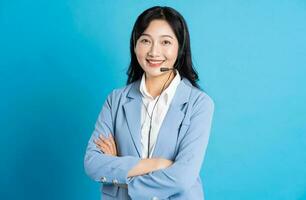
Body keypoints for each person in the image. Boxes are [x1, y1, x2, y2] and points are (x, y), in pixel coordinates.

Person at [84, 6, 215, 200]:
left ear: (180, 48)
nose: (154, 52)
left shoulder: (199, 103)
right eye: (146, 40)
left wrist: (120, 169)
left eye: (166, 42)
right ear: (135, 45)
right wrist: (157, 164)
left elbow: (183, 178)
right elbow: (93, 163)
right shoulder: (116, 99)